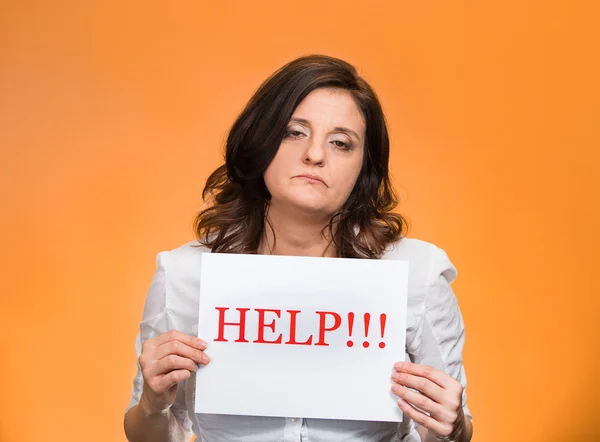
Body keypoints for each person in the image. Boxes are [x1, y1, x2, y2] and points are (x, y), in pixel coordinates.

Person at [123, 54, 473, 442]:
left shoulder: (417, 273)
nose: (315, 155)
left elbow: (450, 429)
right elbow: (148, 433)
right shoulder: (184, 273)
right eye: (294, 132)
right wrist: (152, 406)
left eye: (341, 143)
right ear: (260, 139)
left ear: (363, 167)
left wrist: (451, 427)